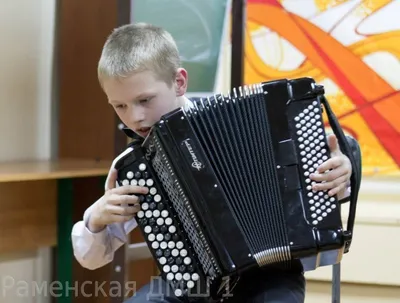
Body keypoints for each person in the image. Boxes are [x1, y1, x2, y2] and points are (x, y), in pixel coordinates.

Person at [71, 23, 354, 302]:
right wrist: (96, 219)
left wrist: (340, 176)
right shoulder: (136, 166)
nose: (135, 117)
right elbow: (92, 259)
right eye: (120, 106)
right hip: (194, 287)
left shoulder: (246, 123)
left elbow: (324, 185)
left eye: (145, 100)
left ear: (179, 82)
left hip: (271, 277)